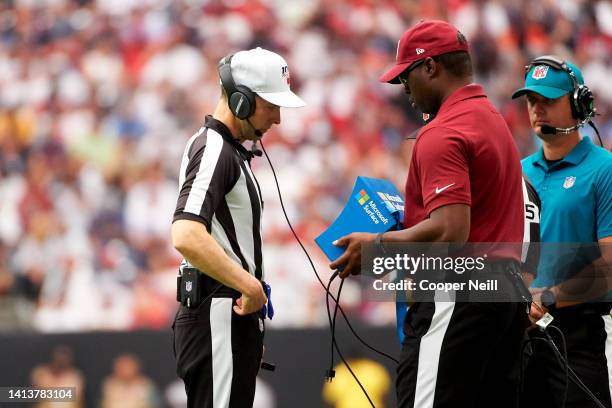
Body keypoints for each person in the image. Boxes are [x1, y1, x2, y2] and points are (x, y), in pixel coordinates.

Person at [330, 20, 528, 407]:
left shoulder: (443, 132)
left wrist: (376, 246)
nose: (405, 90)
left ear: (431, 67)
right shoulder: (494, 121)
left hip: (457, 293)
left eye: (406, 77)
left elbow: (450, 231)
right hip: (506, 294)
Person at [171, 47, 305, 408]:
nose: (277, 119)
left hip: (227, 317)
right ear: (241, 100)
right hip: (218, 312)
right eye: (271, 105)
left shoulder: (227, 150)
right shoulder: (215, 148)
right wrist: (250, 285)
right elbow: (185, 233)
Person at [513, 56, 612, 408]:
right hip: (521, 338)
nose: (537, 110)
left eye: (549, 100)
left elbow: (610, 264)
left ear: (578, 105)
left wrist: (548, 298)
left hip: (577, 338)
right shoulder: (516, 172)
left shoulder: (605, 169)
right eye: (532, 101)